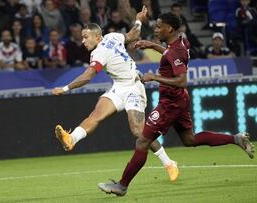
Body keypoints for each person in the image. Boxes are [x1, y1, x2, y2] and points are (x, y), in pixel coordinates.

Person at [97, 12, 255, 197]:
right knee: (190, 140)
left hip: (170, 103)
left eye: (158, 26)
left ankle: (122, 186)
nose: (155, 29)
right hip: (179, 99)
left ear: (169, 28)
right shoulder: (181, 42)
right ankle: (235, 139)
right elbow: (170, 54)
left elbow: (182, 80)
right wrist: (152, 45)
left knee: (143, 141)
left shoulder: (175, 51)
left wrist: (153, 77)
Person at [52, 6, 179, 182]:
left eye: (86, 37)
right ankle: (71, 138)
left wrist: (65, 88)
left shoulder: (98, 53)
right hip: (118, 87)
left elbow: (88, 76)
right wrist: (138, 20)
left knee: (138, 131)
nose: (83, 41)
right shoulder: (113, 36)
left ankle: (169, 163)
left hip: (134, 87)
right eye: (82, 37)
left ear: (97, 36)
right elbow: (133, 35)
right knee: (96, 115)